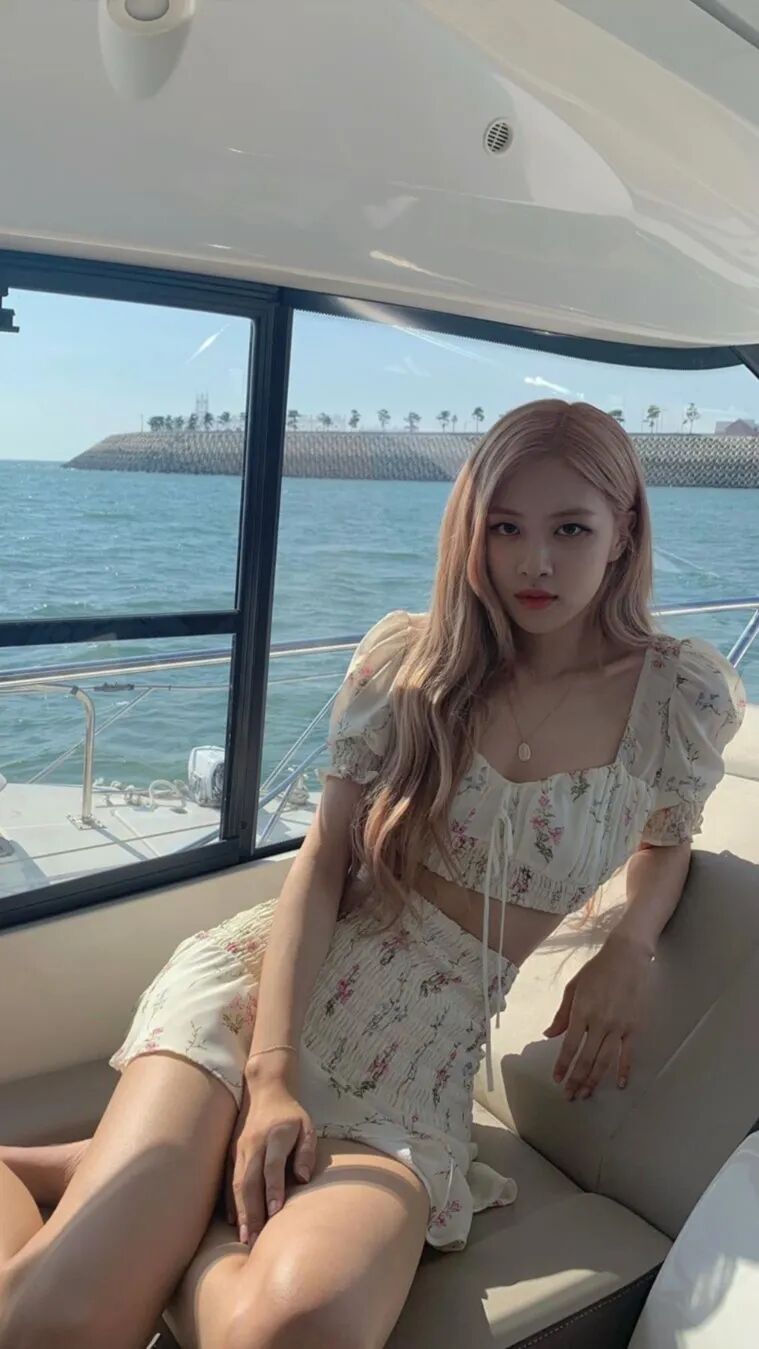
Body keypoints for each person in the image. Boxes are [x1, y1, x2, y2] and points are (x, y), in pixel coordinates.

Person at [0, 400, 746, 1349]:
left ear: (624, 530)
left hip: (420, 1062)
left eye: (569, 529)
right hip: (269, 997)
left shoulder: (673, 697)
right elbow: (319, 865)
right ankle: (128, 1188)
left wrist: (630, 944)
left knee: (295, 1328)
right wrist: (270, 1076)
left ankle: (135, 1192)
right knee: (58, 1326)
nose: (534, 562)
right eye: (504, 528)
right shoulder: (413, 664)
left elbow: (666, 838)